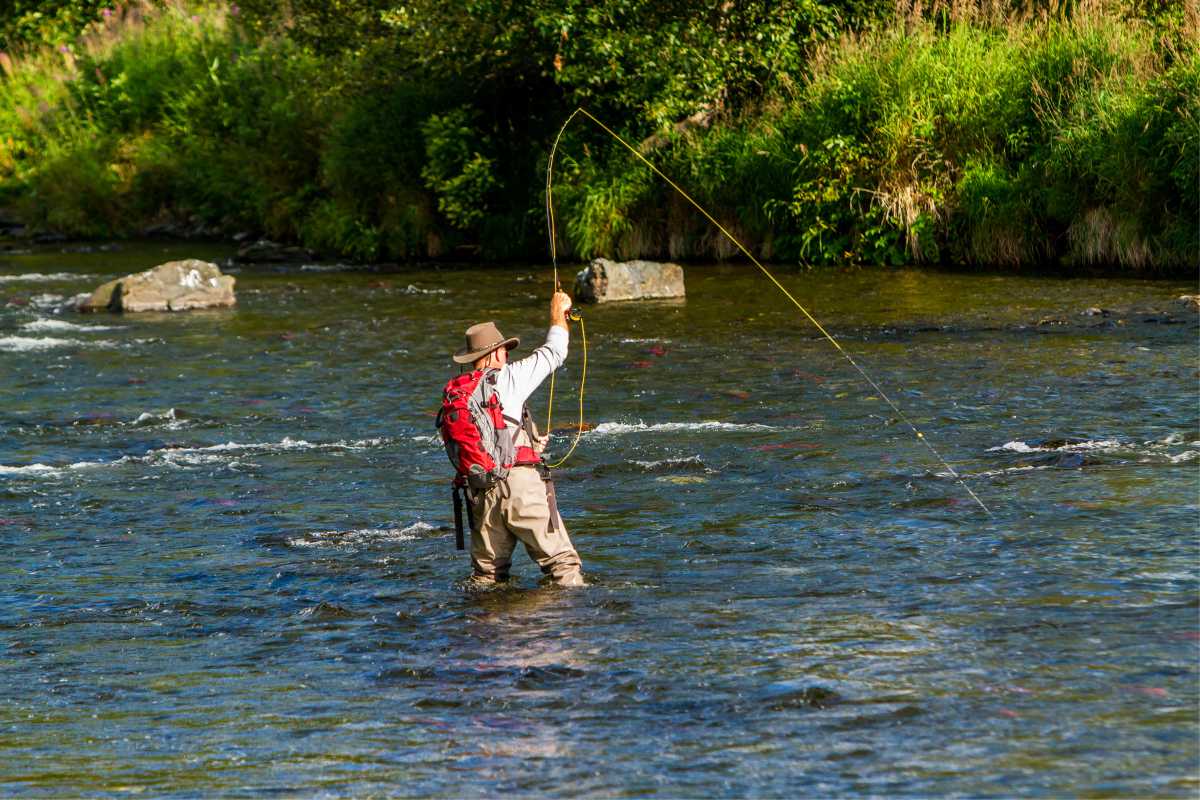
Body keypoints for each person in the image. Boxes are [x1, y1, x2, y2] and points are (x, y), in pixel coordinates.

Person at [450, 290, 584, 587]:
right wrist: (557, 313)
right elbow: (554, 353)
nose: (507, 357)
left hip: (480, 493)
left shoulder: (460, 394)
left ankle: (484, 629)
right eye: (504, 352)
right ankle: (574, 625)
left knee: (487, 577)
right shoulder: (509, 377)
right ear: (496, 353)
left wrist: (530, 445)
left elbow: (481, 443)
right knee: (562, 564)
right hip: (518, 486)